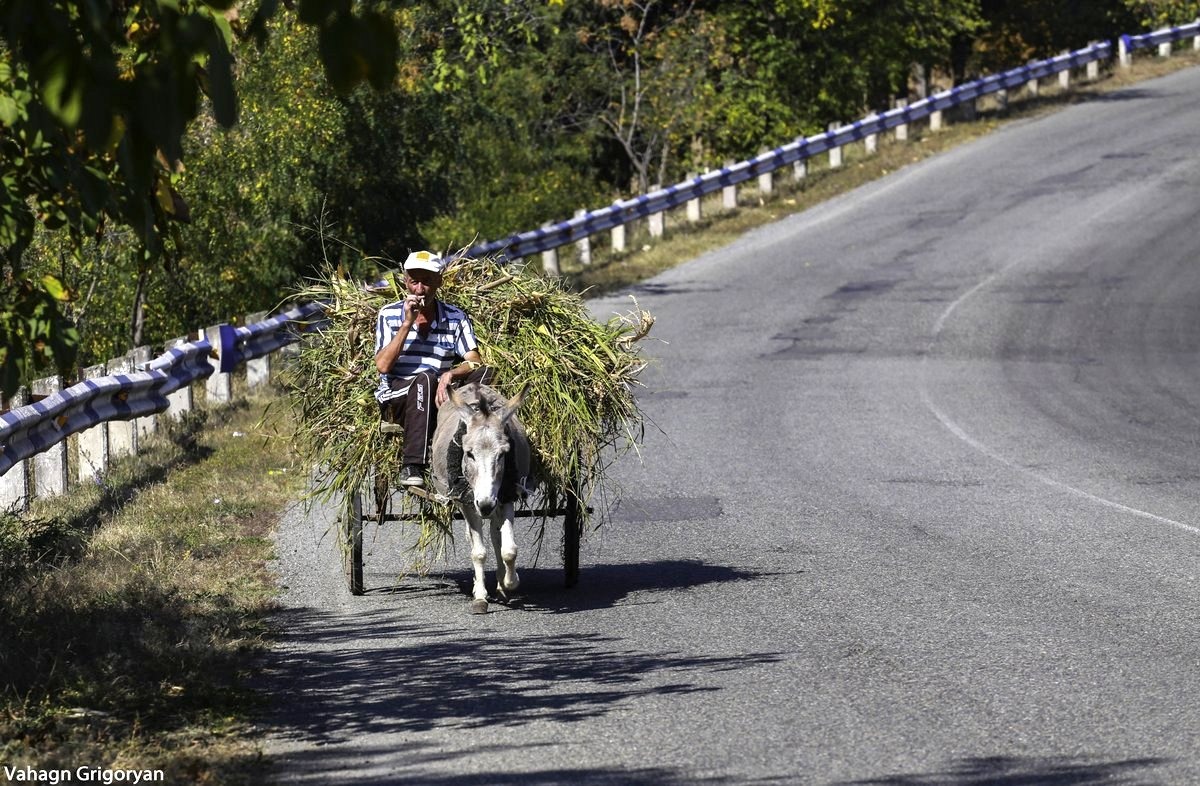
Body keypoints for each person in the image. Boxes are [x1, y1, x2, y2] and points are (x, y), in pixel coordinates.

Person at [374, 250, 492, 487]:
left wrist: (451, 373)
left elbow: (474, 360)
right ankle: (413, 464)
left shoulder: (455, 317)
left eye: (427, 282)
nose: (419, 290)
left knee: (486, 373)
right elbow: (383, 365)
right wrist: (407, 323)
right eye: (414, 281)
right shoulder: (389, 315)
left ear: (439, 281)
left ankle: (475, 440)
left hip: (440, 392)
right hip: (399, 394)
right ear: (405, 281)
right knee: (425, 379)